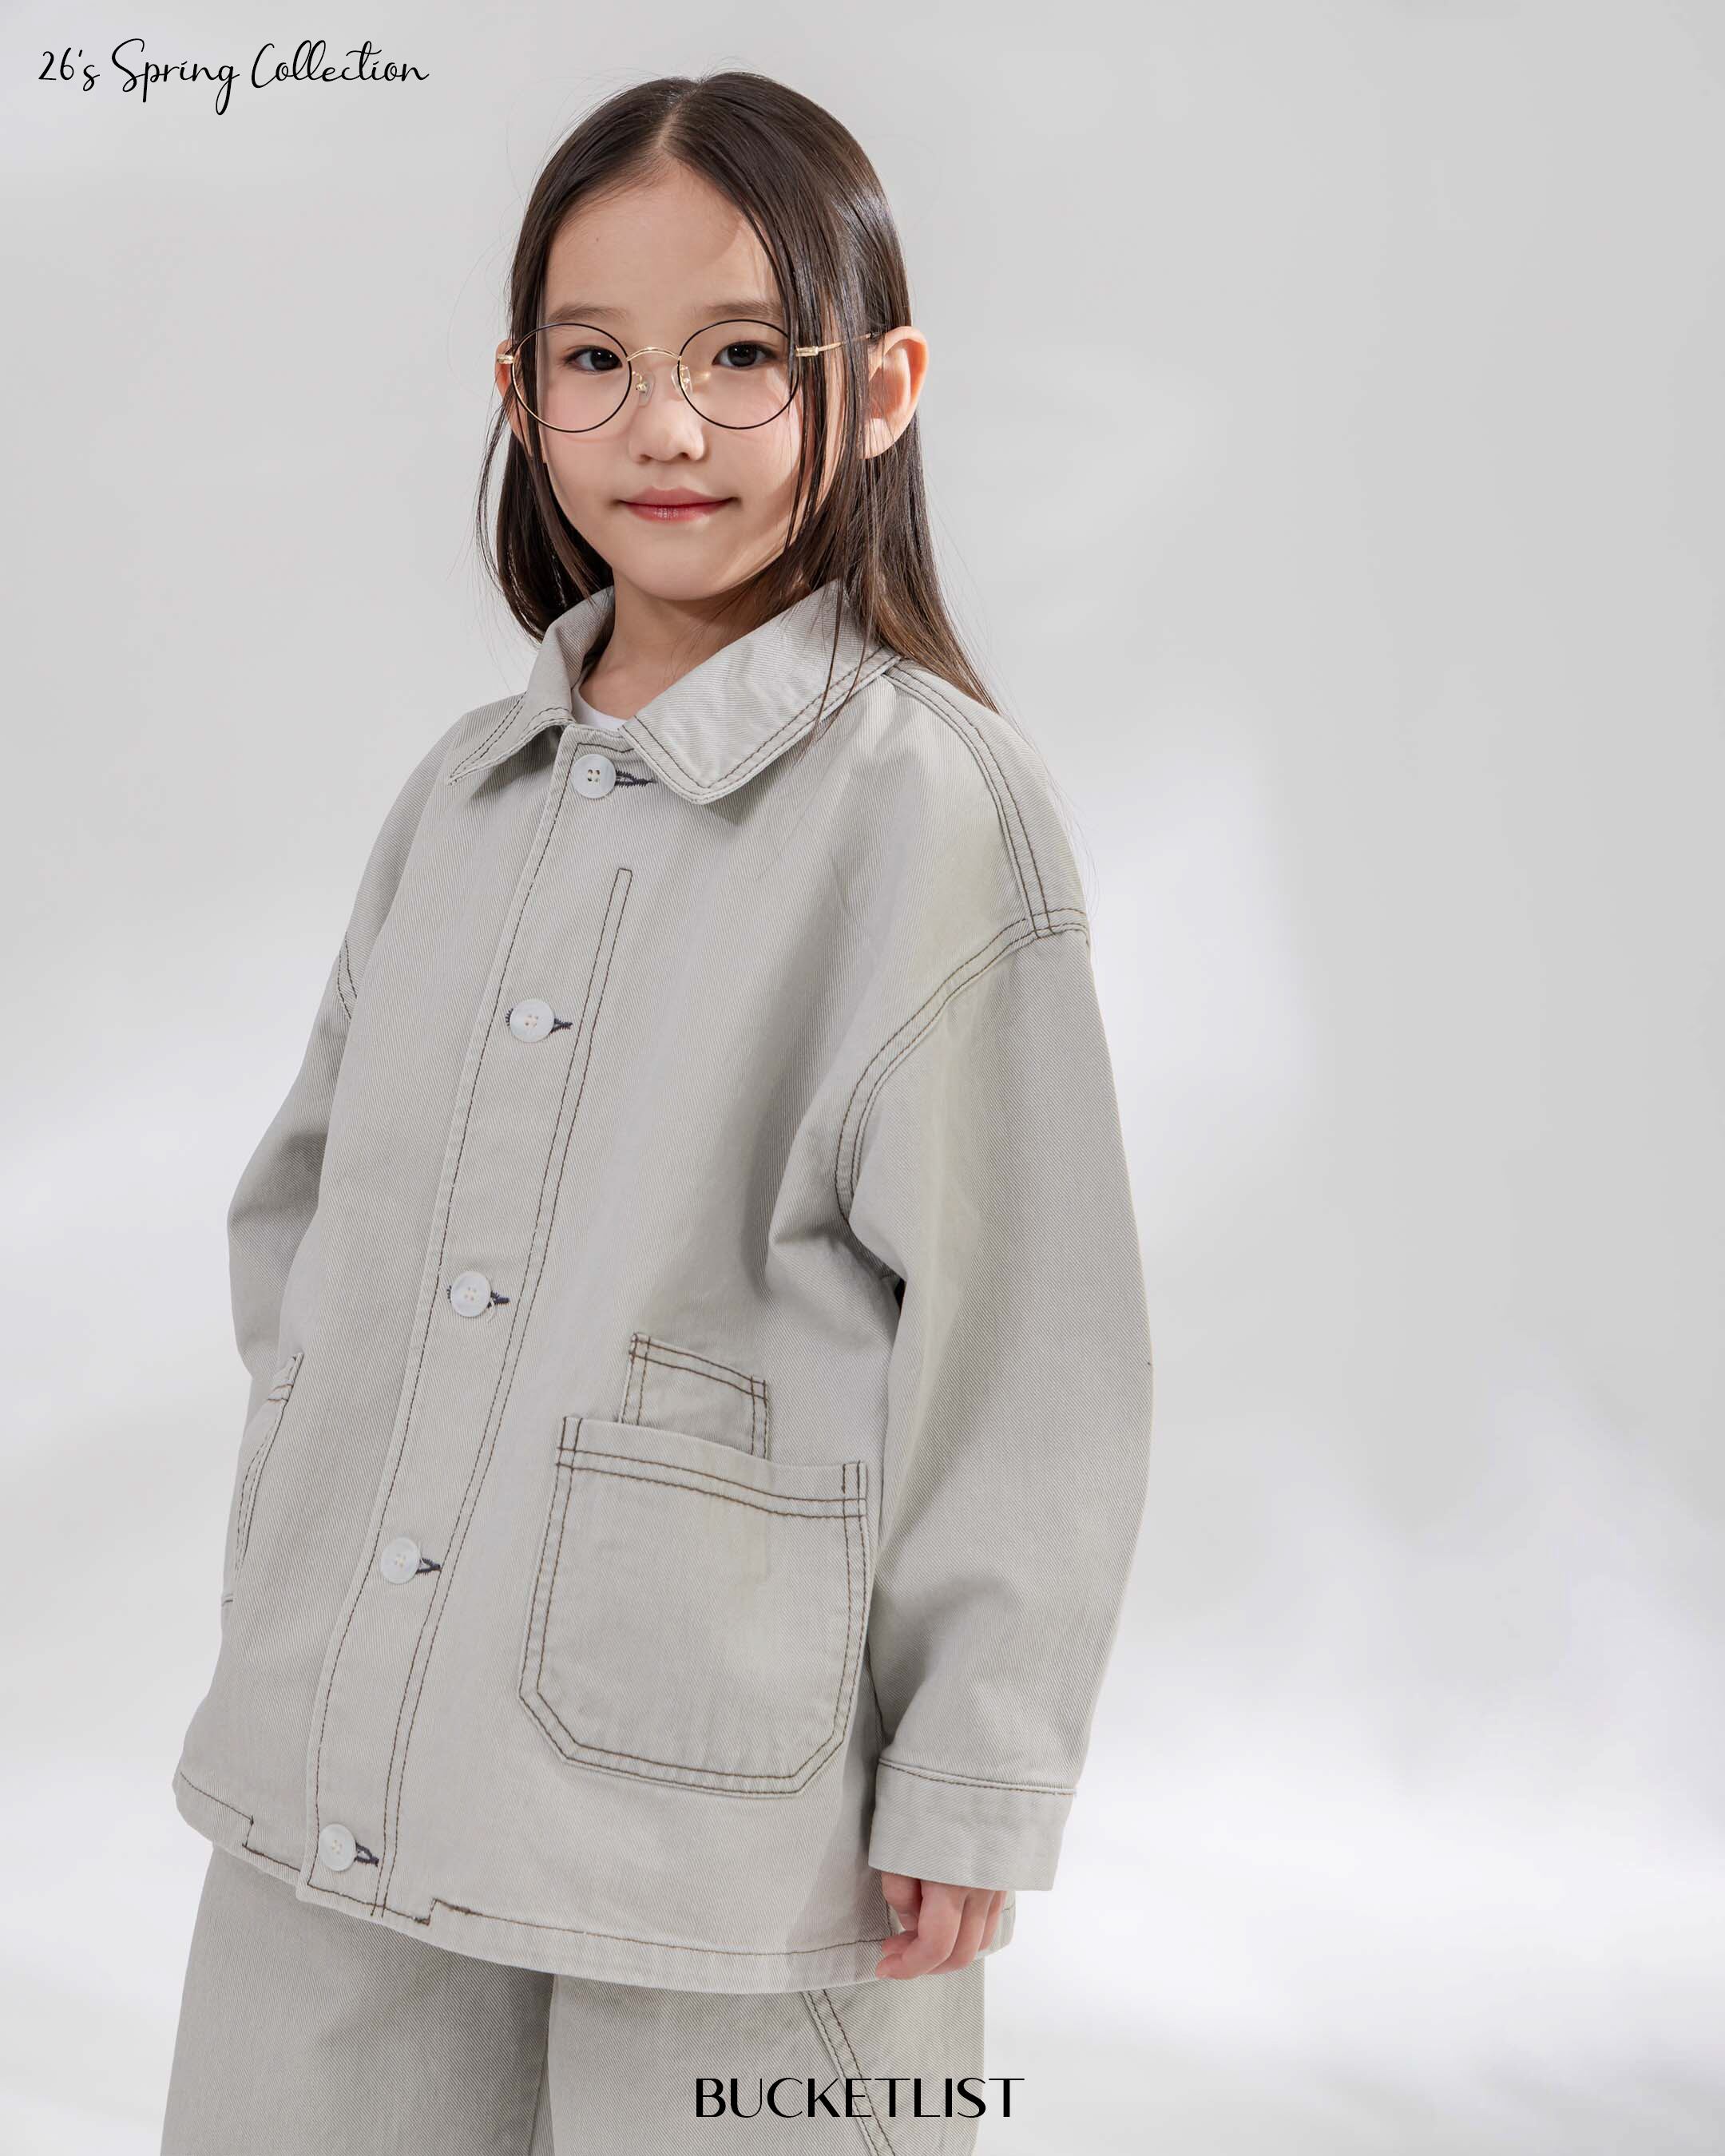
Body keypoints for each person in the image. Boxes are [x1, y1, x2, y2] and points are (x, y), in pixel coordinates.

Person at [161, 65, 1154, 2154]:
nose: (665, 426)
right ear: (518, 397)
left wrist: (974, 1763)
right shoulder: (461, 797)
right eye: (596, 360)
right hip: (355, 1750)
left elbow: (1033, 1345)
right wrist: (325, 1510)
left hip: (731, 1824)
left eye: (741, 357)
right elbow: (305, 1214)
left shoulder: (927, 814)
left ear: (878, 390)